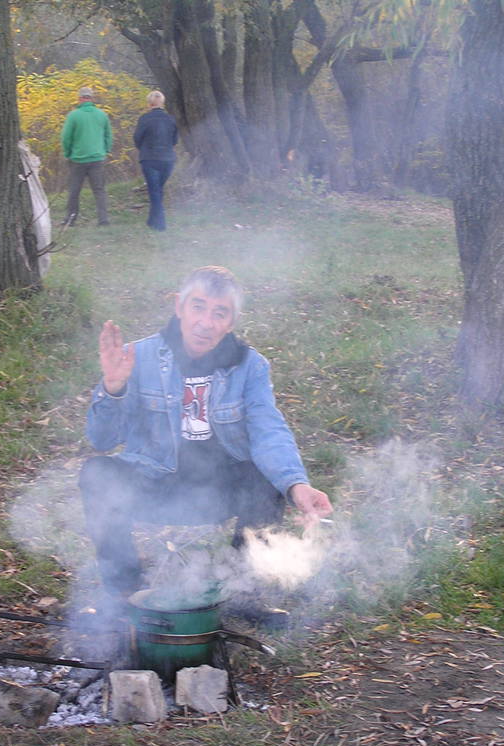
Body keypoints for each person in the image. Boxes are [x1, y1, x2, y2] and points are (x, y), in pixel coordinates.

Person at [79, 266, 333, 617]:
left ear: (231, 321)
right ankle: (125, 597)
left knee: (266, 478)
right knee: (97, 472)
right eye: (197, 307)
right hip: (154, 483)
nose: (206, 322)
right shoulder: (138, 358)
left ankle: (242, 594)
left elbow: (268, 430)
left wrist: (296, 485)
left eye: (219, 313)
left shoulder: (250, 367)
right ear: (179, 307)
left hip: (218, 490)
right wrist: (113, 387)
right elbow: (101, 439)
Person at [61, 86, 112, 226]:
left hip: (78, 159)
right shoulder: (102, 114)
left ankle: (71, 219)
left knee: (74, 190)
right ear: (91, 98)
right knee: (99, 190)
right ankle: (103, 219)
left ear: (80, 98)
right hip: (97, 158)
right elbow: (108, 135)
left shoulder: (73, 115)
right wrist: (106, 149)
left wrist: (67, 153)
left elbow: (66, 138)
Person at [132, 90, 178, 231]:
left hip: (150, 159)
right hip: (168, 160)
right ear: (162, 103)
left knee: (155, 191)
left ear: (149, 103)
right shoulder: (171, 119)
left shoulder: (144, 119)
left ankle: (160, 225)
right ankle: (152, 221)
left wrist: (144, 149)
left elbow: (137, 138)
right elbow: (175, 140)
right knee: (157, 190)